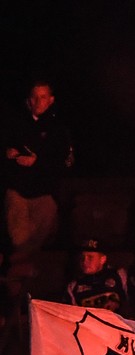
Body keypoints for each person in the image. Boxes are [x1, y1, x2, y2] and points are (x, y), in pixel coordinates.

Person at [3, 81, 72, 258]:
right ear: (28, 101)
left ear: (51, 100)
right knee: (19, 240)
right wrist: (9, 154)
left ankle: (28, 275)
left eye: (43, 97)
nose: (38, 101)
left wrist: (37, 161)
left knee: (39, 242)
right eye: (34, 97)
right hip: (18, 192)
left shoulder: (59, 130)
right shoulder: (14, 125)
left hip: (45, 193)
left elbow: (64, 162)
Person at [62, 238, 134, 313]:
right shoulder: (73, 286)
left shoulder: (119, 275)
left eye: (90, 257)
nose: (84, 262)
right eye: (82, 257)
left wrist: (118, 305)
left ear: (102, 259)